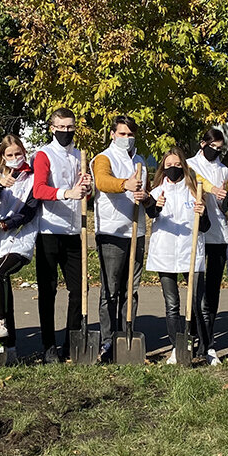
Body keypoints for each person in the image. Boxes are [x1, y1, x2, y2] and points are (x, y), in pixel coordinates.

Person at [31, 108, 92, 362]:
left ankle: (71, 342)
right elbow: (38, 190)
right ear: (52, 128)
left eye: (70, 127)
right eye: (62, 127)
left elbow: (85, 193)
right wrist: (67, 193)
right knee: (48, 291)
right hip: (49, 230)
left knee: (79, 290)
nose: (67, 132)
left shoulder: (80, 155)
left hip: (74, 231)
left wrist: (88, 187)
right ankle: (49, 345)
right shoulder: (44, 155)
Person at [143, 147, 209, 363]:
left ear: (184, 166)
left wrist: (203, 214)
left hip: (191, 253)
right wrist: (157, 207)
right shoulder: (157, 192)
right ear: (163, 167)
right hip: (165, 253)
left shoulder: (195, 191)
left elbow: (205, 226)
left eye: (177, 165)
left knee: (199, 304)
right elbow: (151, 212)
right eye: (169, 165)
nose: (173, 168)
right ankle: (177, 346)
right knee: (172, 305)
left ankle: (204, 347)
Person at [91, 115, 149, 360]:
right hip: (112, 231)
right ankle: (107, 340)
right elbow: (102, 181)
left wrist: (145, 195)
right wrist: (125, 184)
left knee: (130, 289)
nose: (127, 138)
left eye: (130, 134)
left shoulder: (140, 161)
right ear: (113, 134)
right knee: (110, 290)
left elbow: (145, 191)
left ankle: (126, 335)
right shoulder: (104, 158)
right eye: (122, 133)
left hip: (136, 231)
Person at [0, 135, 40, 364]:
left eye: (18, 154)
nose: (15, 158)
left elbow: (29, 211)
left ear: (24, 152)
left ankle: (1, 322)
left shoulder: (33, 178)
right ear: (2, 157)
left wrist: (4, 224)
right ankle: (5, 346)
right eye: (10, 155)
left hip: (20, 239)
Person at [186, 128, 228, 346]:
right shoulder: (190, 164)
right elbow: (196, 179)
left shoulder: (224, 170)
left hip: (218, 235)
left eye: (219, 149)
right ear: (203, 144)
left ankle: (207, 336)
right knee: (196, 288)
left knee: (213, 288)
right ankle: (192, 332)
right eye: (212, 147)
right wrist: (213, 189)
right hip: (197, 233)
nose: (216, 152)